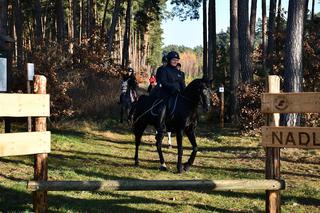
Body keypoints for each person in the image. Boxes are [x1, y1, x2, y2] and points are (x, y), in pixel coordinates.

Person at [152, 51, 185, 147]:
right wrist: (173, 87)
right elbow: (162, 82)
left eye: (177, 60)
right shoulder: (163, 70)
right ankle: (160, 127)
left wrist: (184, 92)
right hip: (166, 95)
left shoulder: (180, 73)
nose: (175, 61)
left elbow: (183, 85)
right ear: (169, 60)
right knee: (163, 108)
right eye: (173, 59)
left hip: (177, 96)